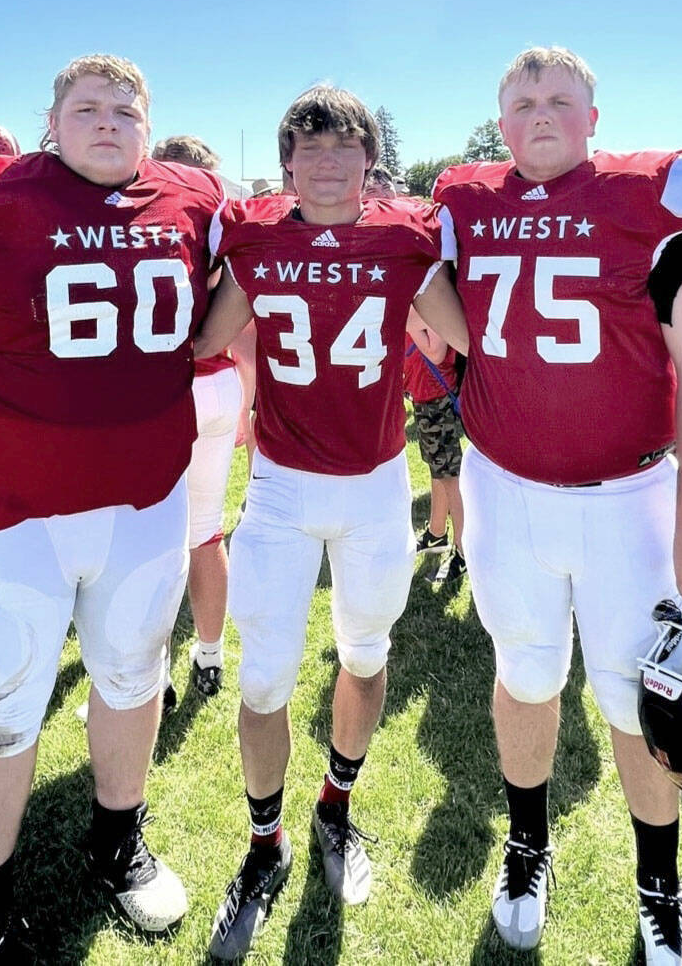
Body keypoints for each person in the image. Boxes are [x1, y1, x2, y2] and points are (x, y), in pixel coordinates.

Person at [0, 54, 225, 960]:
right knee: (2, 700)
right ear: (52, 119)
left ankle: (117, 838)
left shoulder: (191, 204)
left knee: (132, 676)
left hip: (145, 505)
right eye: (88, 107)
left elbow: (220, 320)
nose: (108, 122)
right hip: (9, 513)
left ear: (149, 123)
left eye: (126, 109)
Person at [434, 46, 682, 961]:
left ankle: (659, 887)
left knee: (642, 696)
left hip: (628, 497)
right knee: (525, 673)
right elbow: (463, 332)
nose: (541, 113)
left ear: (594, 116)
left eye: (561, 98)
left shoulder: (651, 197)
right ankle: (528, 842)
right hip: (505, 485)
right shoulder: (466, 202)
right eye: (522, 100)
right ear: (500, 118)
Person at [192, 85, 467, 960]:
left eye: (342, 146)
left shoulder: (402, 237)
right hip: (279, 485)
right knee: (264, 678)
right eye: (308, 148)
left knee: (365, 654)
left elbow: (472, 335)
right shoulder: (260, 238)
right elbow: (201, 340)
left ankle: (336, 806)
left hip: (378, 484)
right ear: (286, 164)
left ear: (368, 158)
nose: (325, 162)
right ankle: (264, 840)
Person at [146, 133, 242, 699]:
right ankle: (209, 655)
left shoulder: (155, 217)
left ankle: (147, 672)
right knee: (205, 530)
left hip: (165, 387)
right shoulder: (228, 223)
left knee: (148, 537)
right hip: (219, 381)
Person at [404, 306, 465, 585]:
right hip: (424, 392)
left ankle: (463, 551)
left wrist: (404, 317)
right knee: (437, 468)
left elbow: (437, 350)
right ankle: (437, 532)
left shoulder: (433, 296)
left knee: (451, 476)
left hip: (436, 391)